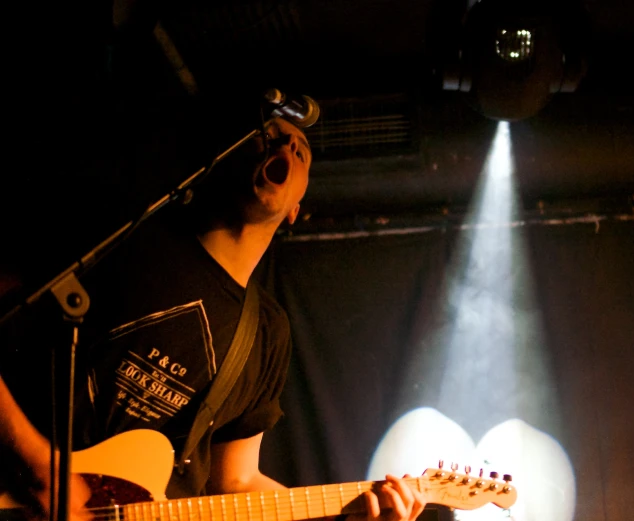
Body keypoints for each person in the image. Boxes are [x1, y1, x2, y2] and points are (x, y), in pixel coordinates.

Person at [0, 116, 426, 521]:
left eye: (302, 149)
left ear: (297, 207)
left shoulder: (265, 332)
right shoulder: (121, 239)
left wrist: (352, 510)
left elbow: (237, 480)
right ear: (226, 159)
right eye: (270, 135)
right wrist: (37, 461)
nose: (287, 146)